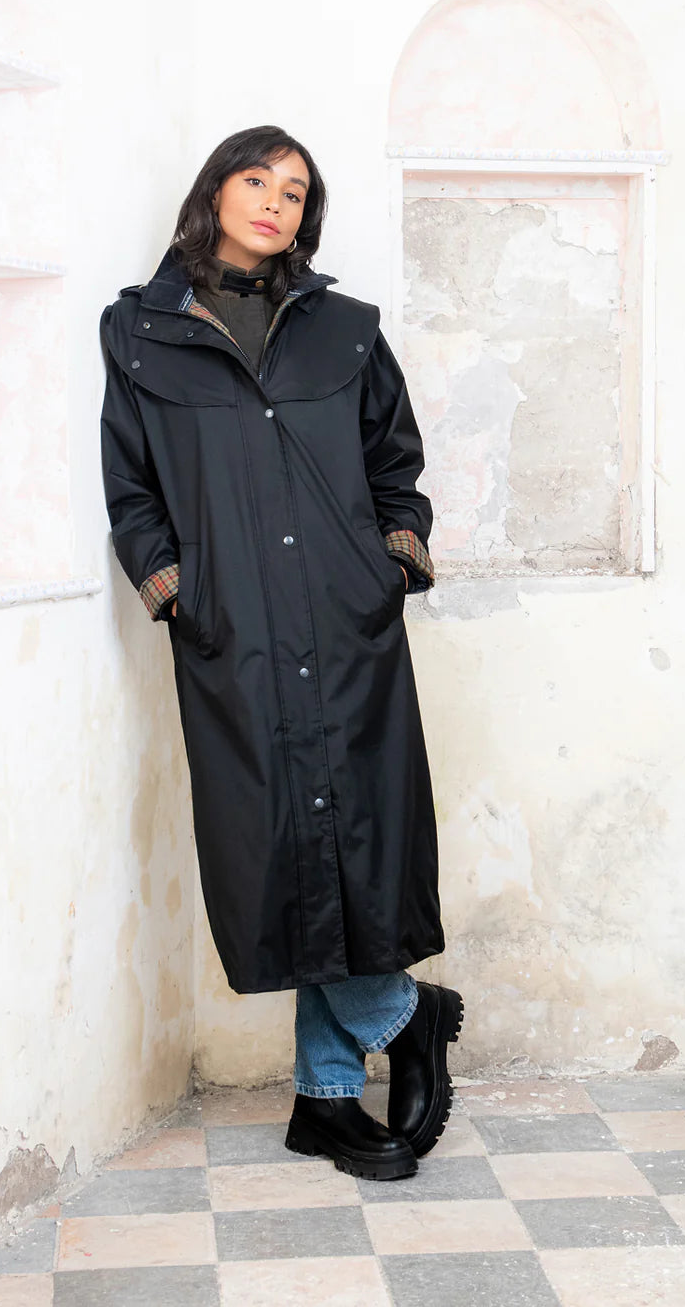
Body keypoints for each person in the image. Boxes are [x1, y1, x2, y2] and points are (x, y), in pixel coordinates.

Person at [99, 124, 463, 1180]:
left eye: (295, 191)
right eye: (255, 179)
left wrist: (387, 565)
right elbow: (132, 486)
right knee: (281, 844)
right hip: (236, 630)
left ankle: (326, 1098)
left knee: (345, 843)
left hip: (347, 624)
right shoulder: (141, 333)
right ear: (214, 192)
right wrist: (180, 593)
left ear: (308, 216)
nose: (273, 200)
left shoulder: (346, 330)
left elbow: (395, 463)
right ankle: (403, 1013)